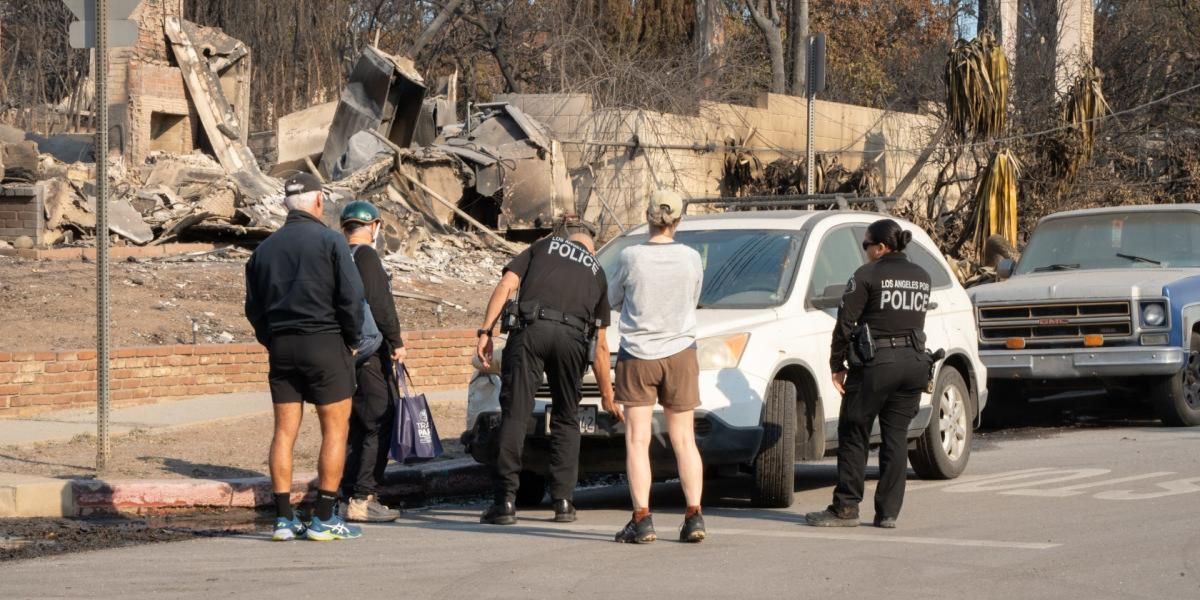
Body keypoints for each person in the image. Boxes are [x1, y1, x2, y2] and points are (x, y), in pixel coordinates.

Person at [245, 172, 366, 542]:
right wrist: (353, 338)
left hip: (282, 345)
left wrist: (272, 338)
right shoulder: (331, 240)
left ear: (286, 204)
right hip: (325, 342)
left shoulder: (263, 250)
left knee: (284, 431)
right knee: (335, 428)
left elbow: (254, 308)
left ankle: (284, 518)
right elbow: (351, 296)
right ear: (318, 202)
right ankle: (324, 517)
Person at [476, 219, 614, 525]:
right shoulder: (597, 271)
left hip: (531, 330)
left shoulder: (543, 246)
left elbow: (507, 283)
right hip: (572, 340)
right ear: (590, 250)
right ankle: (564, 502)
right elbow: (601, 345)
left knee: (515, 414)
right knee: (566, 418)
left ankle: (505, 502)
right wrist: (607, 394)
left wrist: (486, 331)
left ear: (569, 240)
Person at [805, 219, 933, 529]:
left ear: (880, 247)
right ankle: (888, 512)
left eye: (866, 245)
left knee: (854, 431)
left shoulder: (867, 275)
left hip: (877, 364)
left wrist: (837, 365)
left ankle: (846, 508)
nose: (864, 251)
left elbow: (845, 323)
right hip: (914, 363)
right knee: (896, 437)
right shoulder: (922, 276)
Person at [607, 189, 706, 544]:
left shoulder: (631, 256)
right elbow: (694, 297)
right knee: (684, 439)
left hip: (638, 353)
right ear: (678, 220)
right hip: (681, 351)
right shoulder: (692, 257)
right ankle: (694, 516)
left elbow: (612, 298)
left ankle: (642, 518)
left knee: (637, 439)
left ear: (647, 217)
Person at [338, 200, 407, 523]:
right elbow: (380, 303)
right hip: (370, 352)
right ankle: (363, 498)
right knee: (378, 420)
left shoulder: (336, 257)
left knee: (353, 425)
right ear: (375, 227)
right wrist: (396, 342)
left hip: (342, 353)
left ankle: (344, 495)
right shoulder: (366, 256)